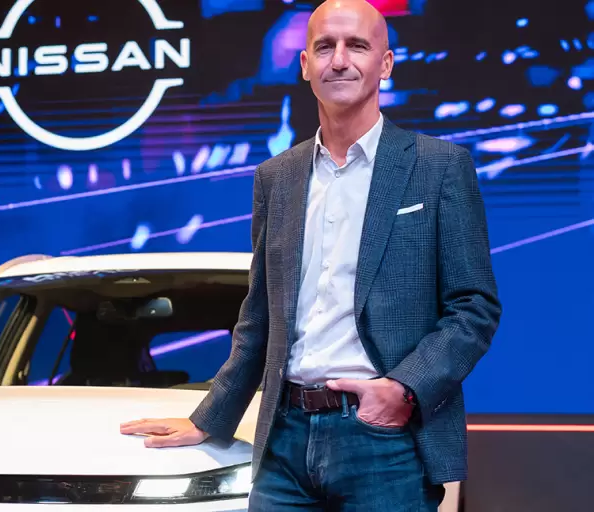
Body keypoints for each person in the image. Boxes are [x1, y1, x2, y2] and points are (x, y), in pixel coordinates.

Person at [118, 0, 502, 510]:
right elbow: (259, 317)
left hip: (385, 441)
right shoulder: (276, 177)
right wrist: (208, 418)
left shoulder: (439, 166)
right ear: (305, 65)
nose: (339, 60)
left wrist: (403, 390)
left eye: (356, 46)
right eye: (324, 47)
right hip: (283, 439)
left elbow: (473, 308)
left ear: (385, 63)